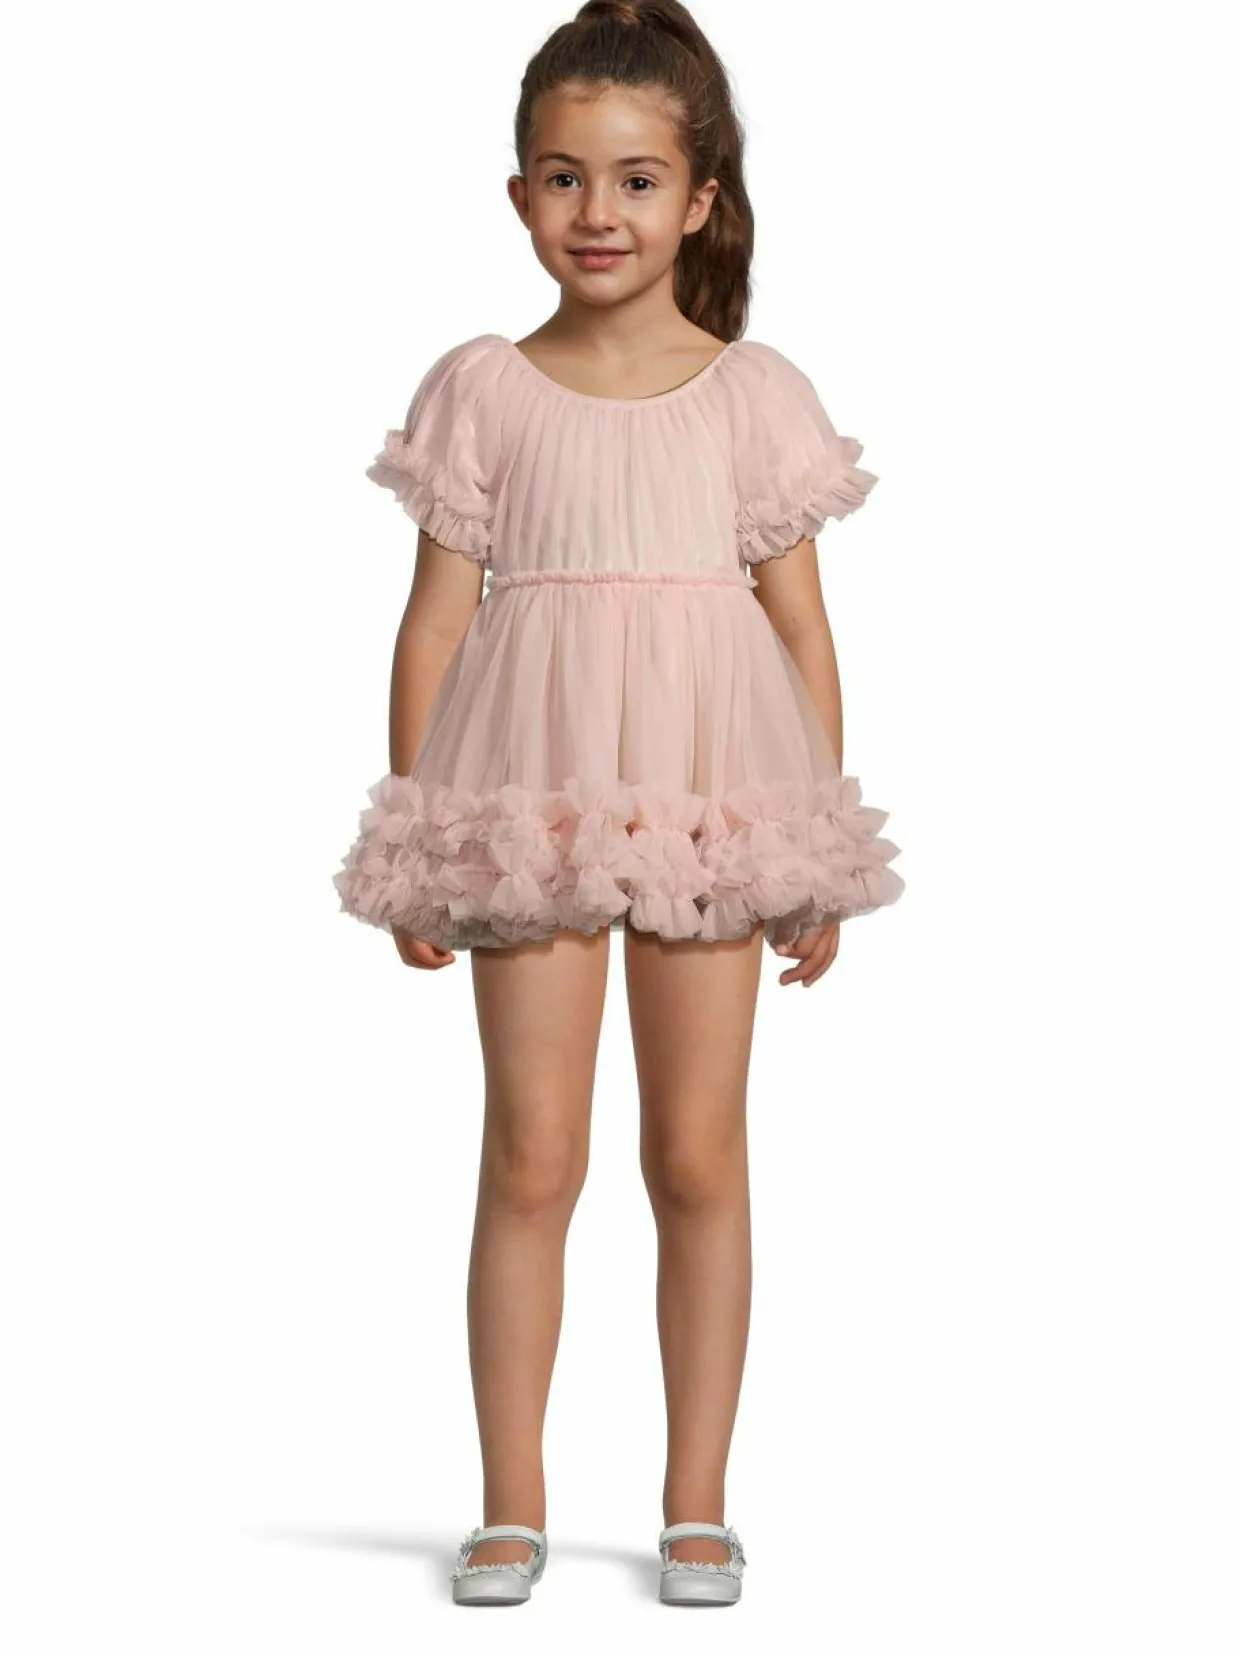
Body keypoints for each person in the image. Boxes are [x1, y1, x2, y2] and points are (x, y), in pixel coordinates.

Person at [332, 0, 904, 1609]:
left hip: (713, 808)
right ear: (519, 192)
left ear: (701, 198)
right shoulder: (485, 388)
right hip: (533, 808)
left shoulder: (752, 393)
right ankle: (510, 1501)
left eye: (639, 181)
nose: (600, 213)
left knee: (698, 1156)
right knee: (531, 1155)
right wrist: (420, 842)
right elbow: (435, 625)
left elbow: (799, 631)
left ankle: (697, 1503)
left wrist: (810, 847)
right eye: (566, 177)